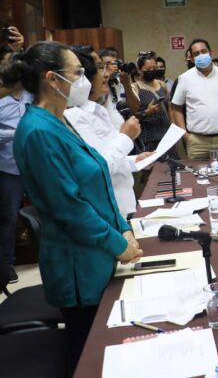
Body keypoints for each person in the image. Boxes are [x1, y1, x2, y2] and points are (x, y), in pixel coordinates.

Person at [2, 42, 142, 374]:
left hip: (97, 253)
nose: (84, 79)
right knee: (92, 361)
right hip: (78, 267)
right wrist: (118, 244)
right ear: (53, 79)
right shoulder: (37, 131)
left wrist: (121, 225)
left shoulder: (60, 120)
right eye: (77, 72)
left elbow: (95, 179)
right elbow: (70, 208)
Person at [64, 45, 153, 218]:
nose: (106, 74)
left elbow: (113, 158)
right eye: (99, 68)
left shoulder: (98, 109)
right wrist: (126, 137)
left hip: (124, 205)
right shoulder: (73, 117)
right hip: (107, 213)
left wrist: (136, 160)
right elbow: (98, 167)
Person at [172, 39, 218, 159]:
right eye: (196, 54)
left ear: (211, 53)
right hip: (197, 142)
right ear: (192, 59)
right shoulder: (184, 78)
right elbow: (176, 108)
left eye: (203, 51)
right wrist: (185, 135)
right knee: (198, 177)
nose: (201, 55)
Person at [0, 46, 32, 284]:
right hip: (8, 167)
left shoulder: (34, 95)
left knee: (49, 207)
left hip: (35, 164)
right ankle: (8, 265)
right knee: (8, 218)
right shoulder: (1, 101)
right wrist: (14, 133)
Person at [131, 52, 175, 156]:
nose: (151, 71)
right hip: (148, 136)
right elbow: (132, 114)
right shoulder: (135, 87)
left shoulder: (161, 84)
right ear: (139, 69)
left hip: (165, 132)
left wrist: (173, 129)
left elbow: (169, 107)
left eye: (154, 68)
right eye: (147, 69)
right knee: (154, 169)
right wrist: (147, 112)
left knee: (170, 168)